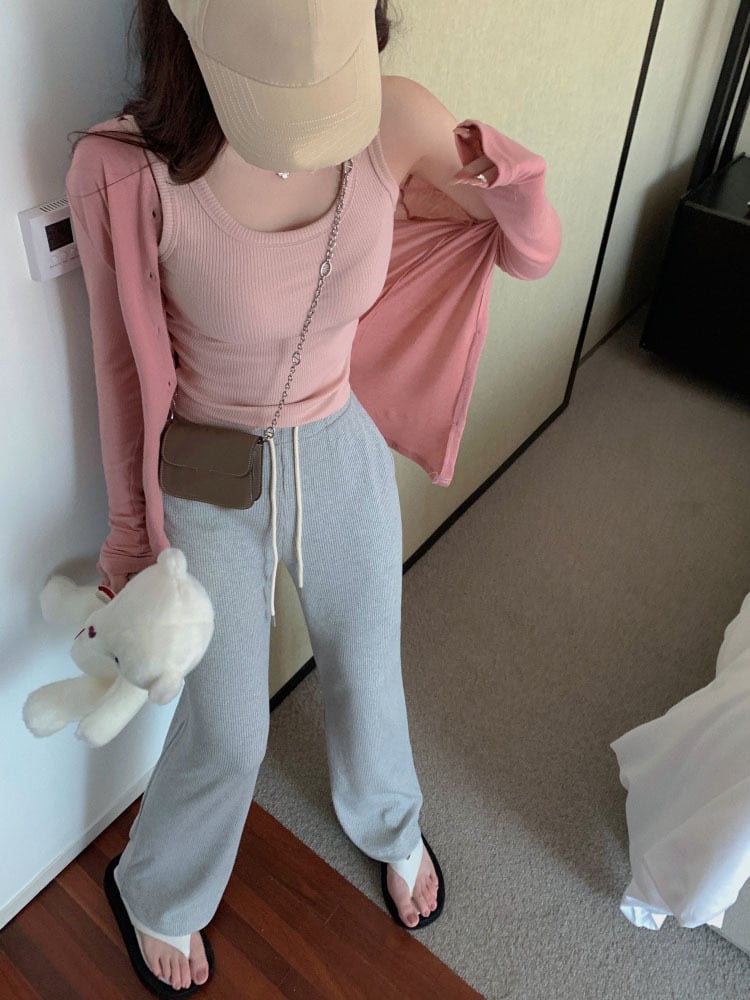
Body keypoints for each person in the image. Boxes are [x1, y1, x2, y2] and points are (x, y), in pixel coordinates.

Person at [66, 0, 561, 994]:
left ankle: (391, 823)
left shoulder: (394, 115)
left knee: (369, 666)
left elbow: (530, 251)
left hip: (338, 441)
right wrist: (129, 546)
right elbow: (121, 372)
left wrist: (499, 164)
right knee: (230, 731)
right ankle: (156, 886)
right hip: (207, 470)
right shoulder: (123, 170)